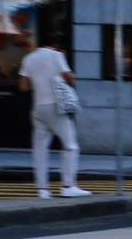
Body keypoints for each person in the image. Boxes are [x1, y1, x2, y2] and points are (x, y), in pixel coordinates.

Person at [17, 27, 89, 199]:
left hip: (38, 107)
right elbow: (70, 78)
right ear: (55, 44)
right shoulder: (57, 56)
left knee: (40, 149)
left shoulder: (29, 58)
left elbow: (23, 86)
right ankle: (68, 185)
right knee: (70, 145)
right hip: (56, 106)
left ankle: (43, 190)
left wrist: (40, 82)